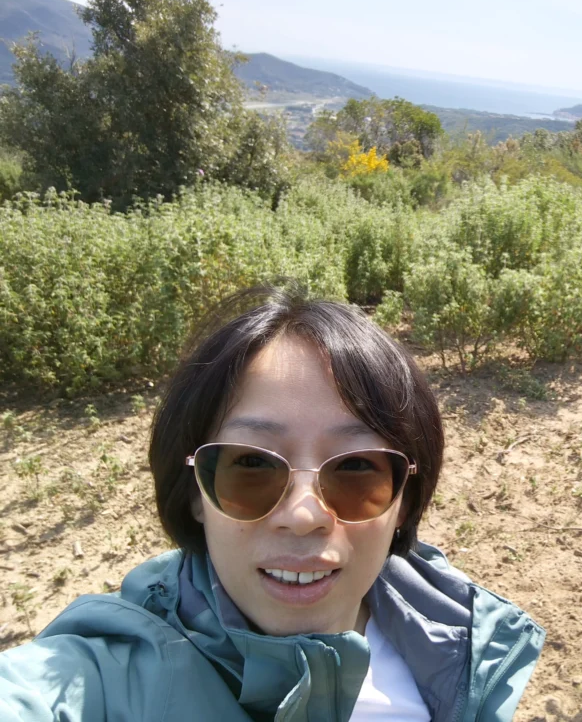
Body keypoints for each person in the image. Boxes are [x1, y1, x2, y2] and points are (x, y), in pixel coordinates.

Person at [0, 285, 545, 721]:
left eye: (356, 467)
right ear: (195, 492)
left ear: (402, 502)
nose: (304, 515)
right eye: (253, 465)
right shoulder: (106, 677)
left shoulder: (459, 645)